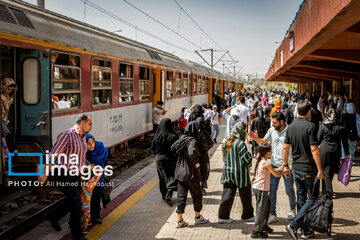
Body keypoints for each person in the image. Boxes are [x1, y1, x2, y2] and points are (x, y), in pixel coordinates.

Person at [39, 114, 93, 240]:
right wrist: (45, 172)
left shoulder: (83, 137)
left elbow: (81, 158)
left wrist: (89, 167)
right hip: (63, 174)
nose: (91, 127)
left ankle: (53, 216)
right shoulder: (67, 134)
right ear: (82, 124)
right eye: (90, 124)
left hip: (75, 174)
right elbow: (53, 154)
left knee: (71, 201)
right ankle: (77, 235)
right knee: (76, 205)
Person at [283, 99, 324, 240]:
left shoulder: (291, 126)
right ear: (308, 112)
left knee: (301, 198)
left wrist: (286, 165)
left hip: (296, 168)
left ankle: (305, 231)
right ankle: (294, 225)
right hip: (308, 169)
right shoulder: (311, 126)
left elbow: (285, 147)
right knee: (312, 198)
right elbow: (314, 149)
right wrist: (320, 170)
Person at [250, 112, 296, 224]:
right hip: (274, 164)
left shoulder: (291, 130)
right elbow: (263, 142)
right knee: (272, 190)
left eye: (275, 123)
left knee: (289, 189)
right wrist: (256, 139)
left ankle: (292, 210)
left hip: (287, 165)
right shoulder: (271, 130)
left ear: (282, 122)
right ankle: (272, 214)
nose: (273, 124)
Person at [171, 122, 209, 228]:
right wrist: (196, 162)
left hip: (180, 172)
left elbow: (173, 147)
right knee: (196, 194)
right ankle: (197, 217)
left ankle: (179, 220)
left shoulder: (182, 138)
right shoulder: (192, 140)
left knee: (181, 195)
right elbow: (192, 152)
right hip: (191, 172)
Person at [218, 122, 254, 224]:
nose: (245, 133)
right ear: (240, 131)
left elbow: (224, 158)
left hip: (228, 172)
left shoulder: (226, 142)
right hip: (241, 174)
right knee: (246, 195)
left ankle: (223, 216)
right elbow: (246, 159)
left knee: (227, 195)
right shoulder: (240, 143)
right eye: (244, 131)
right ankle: (247, 216)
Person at [251, 143, 289, 238]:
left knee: (267, 207)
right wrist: (284, 172)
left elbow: (274, 170)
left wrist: (282, 168)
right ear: (267, 153)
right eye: (271, 151)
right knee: (261, 210)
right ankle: (256, 231)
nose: (272, 152)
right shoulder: (266, 163)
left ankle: (263, 225)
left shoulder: (263, 161)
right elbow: (275, 174)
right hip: (261, 189)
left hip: (258, 188)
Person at [318, 109, 349, 195]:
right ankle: (327, 190)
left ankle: (327, 191)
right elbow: (344, 142)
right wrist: (347, 153)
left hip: (324, 151)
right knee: (331, 171)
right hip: (336, 151)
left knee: (325, 170)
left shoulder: (323, 126)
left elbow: (318, 139)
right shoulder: (340, 128)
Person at [152, 118, 179, 206]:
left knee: (162, 177)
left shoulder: (157, 136)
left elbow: (153, 148)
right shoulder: (173, 136)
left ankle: (164, 195)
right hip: (171, 159)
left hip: (159, 159)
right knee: (171, 176)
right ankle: (169, 193)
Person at [85, 134, 109, 224]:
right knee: (86, 197)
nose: (91, 145)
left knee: (96, 196)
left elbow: (105, 161)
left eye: (93, 142)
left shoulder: (100, 148)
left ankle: (96, 216)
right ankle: (85, 217)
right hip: (88, 178)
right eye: (89, 143)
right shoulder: (84, 152)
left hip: (99, 177)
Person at [1, 78, 17, 158]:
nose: (9, 91)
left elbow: (9, 104)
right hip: (1, 120)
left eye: (11, 90)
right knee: (8, 135)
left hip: (4, 119)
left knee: (9, 136)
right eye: (8, 89)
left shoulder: (8, 96)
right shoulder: (2, 95)